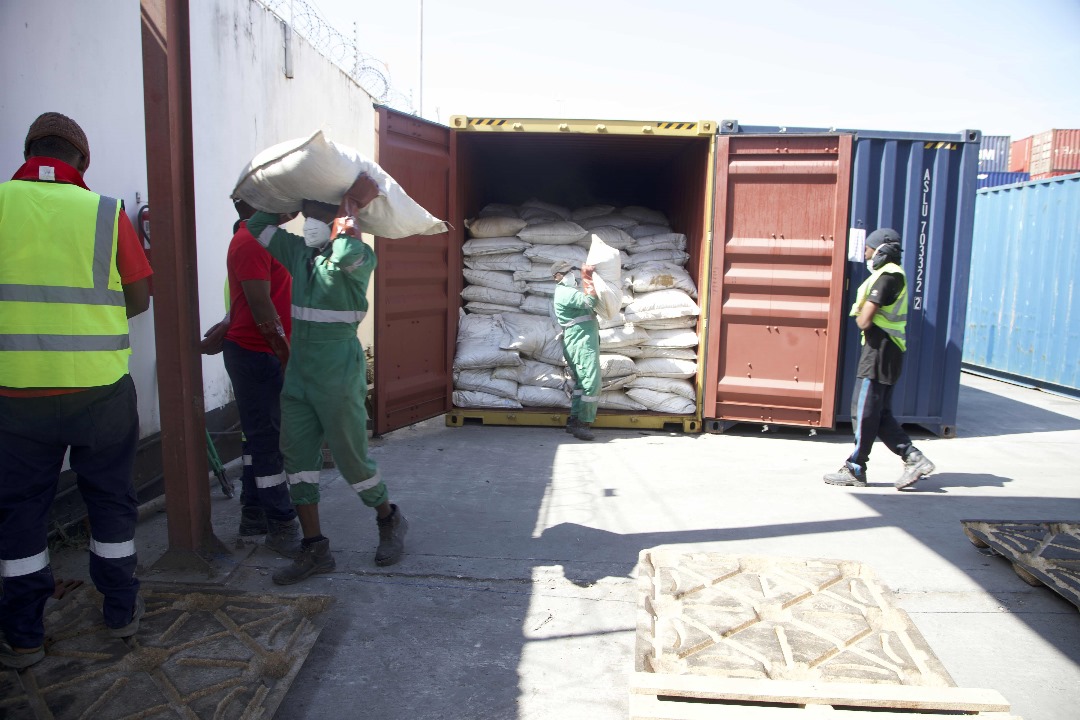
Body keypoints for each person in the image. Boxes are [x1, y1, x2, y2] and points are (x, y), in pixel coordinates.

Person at [0, 112, 152, 668]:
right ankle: (120, 613)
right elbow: (139, 298)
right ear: (82, 161)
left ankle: (23, 637)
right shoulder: (106, 212)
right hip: (99, 393)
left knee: (20, 511)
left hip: (15, 396)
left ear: (28, 153)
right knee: (110, 500)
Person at [242, 174, 408, 584]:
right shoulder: (299, 254)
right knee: (297, 461)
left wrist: (350, 207)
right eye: (307, 217)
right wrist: (287, 202)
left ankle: (388, 517)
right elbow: (256, 225)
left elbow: (347, 250)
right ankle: (315, 548)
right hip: (300, 374)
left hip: (337, 372)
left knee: (352, 460)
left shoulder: (359, 257)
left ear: (339, 222)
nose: (310, 224)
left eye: (320, 217)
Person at [200, 200, 301, 557]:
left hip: (263, 351)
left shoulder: (267, 239)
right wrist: (286, 357)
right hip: (257, 354)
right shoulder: (251, 241)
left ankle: (255, 513)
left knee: (261, 437)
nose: (293, 205)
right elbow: (261, 308)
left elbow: (257, 295)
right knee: (267, 441)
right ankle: (281, 523)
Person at [823, 227, 935, 490]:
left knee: (863, 412)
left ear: (881, 250)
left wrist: (862, 313)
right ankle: (913, 458)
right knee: (878, 415)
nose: (865, 254)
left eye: (868, 249)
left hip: (879, 352)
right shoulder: (893, 275)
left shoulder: (887, 277)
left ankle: (856, 467)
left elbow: (864, 320)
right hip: (887, 351)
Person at [551, 260, 600, 441]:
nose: (570, 275)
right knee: (591, 383)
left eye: (571, 271)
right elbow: (590, 301)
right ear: (556, 277)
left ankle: (574, 421)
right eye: (565, 273)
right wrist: (587, 278)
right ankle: (583, 423)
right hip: (581, 343)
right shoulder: (565, 292)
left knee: (581, 384)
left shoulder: (569, 291)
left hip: (581, 341)